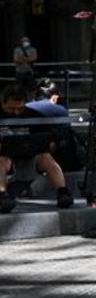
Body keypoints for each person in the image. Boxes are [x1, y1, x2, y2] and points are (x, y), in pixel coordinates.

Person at [0, 84, 74, 212]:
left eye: (20, 109)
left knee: (46, 157)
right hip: (4, 157)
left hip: (29, 155)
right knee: (1, 160)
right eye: (11, 109)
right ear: (3, 102)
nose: (16, 113)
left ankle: (63, 192)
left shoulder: (33, 115)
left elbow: (50, 139)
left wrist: (49, 144)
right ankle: (2, 196)